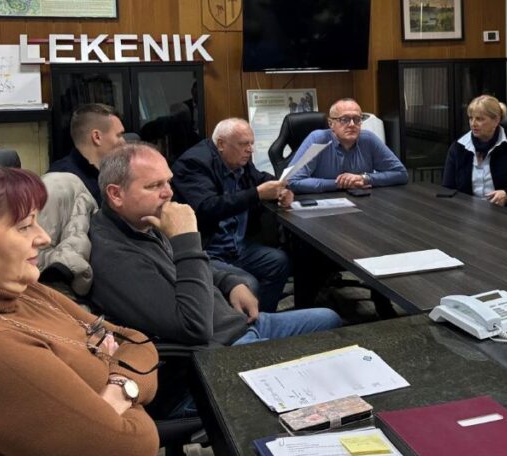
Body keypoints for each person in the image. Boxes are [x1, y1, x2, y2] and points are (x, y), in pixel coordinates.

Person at [0, 161, 226, 456]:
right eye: (24, 226)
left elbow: (136, 341)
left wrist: (114, 392)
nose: (44, 237)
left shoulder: (17, 290)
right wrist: (121, 380)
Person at [89, 143, 341, 349]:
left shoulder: (142, 222)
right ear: (116, 194)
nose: (168, 193)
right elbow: (194, 327)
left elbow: (192, 269)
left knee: (328, 317)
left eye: (168, 182)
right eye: (154, 186)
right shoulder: (114, 257)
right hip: (222, 346)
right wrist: (186, 237)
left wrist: (230, 282)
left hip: (236, 323)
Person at [171, 118, 292, 312]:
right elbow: (207, 207)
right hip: (209, 249)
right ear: (221, 144)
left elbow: (261, 178)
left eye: (251, 143)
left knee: (278, 261)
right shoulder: (194, 163)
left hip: (237, 246)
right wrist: (257, 194)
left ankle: (262, 317)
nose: (250, 150)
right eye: (244, 144)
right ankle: (242, 325)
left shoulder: (238, 162)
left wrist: (282, 190)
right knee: (247, 282)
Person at [286, 98, 407, 193]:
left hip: (362, 203)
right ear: (331, 123)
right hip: (322, 205)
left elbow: (401, 174)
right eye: (344, 119)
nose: (352, 124)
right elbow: (290, 181)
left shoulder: (368, 140)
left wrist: (364, 178)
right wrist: (340, 184)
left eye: (357, 119)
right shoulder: (318, 139)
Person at [442, 95, 507, 207]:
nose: (473, 124)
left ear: (496, 120)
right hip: (466, 210)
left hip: (503, 211)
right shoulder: (459, 147)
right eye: (471, 118)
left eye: (479, 119)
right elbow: (448, 189)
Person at [49, 103, 127, 204]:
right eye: (119, 135)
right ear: (97, 137)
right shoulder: (60, 181)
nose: (124, 142)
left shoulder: (111, 174)